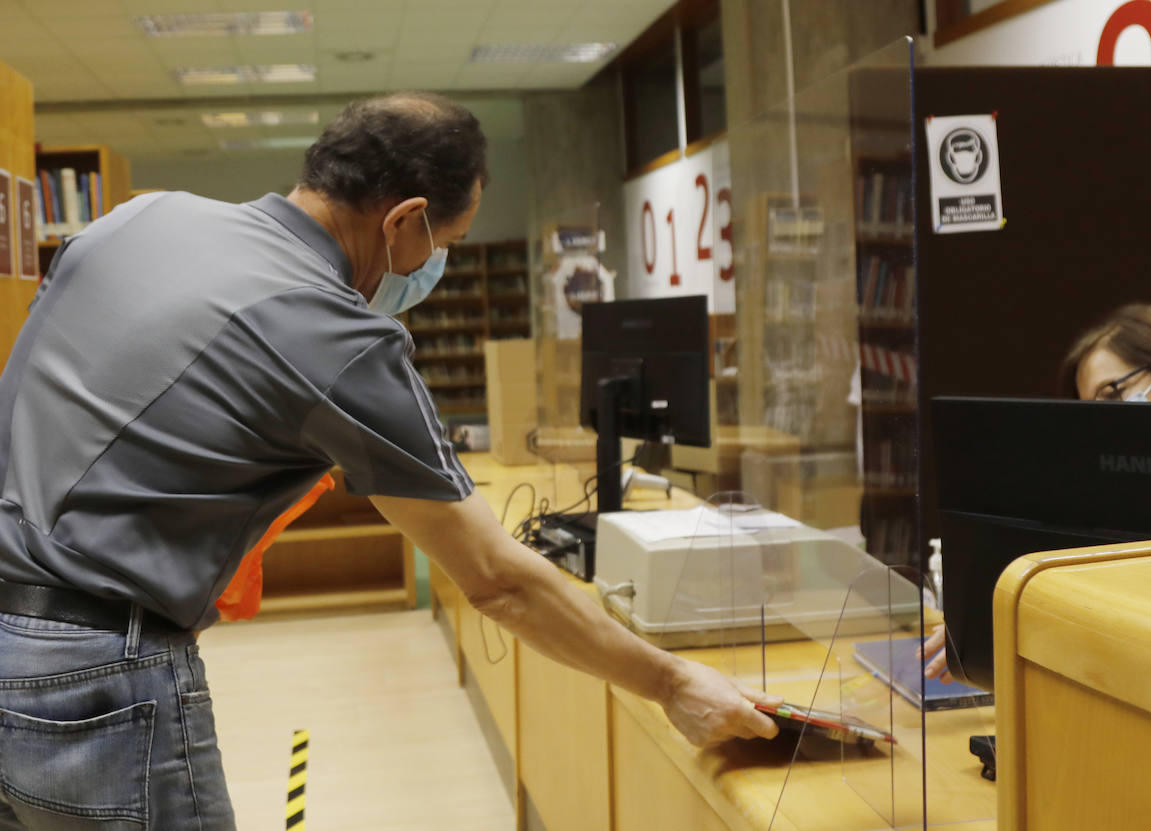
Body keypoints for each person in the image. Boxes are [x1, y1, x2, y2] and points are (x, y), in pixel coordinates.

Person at [0, 93, 777, 829]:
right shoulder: (336, 334)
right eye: (447, 244)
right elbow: (498, 579)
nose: (435, 267)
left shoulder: (140, 218)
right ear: (404, 222)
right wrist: (673, 681)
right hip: (94, 679)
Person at [919, 302, 1151, 681]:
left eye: (1113, 393)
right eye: (1091, 405)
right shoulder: (1090, 491)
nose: (1101, 418)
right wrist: (985, 631)